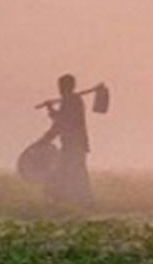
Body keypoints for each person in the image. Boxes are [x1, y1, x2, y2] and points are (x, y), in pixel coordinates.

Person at [39, 73, 95, 207]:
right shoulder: (71, 101)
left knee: (70, 172)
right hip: (72, 144)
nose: (60, 89)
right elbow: (60, 122)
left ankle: (79, 201)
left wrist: (50, 110)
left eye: (62, 86)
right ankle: (73, 200)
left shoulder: (72, 101)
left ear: (68, 86)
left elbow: (63, 122)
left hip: (74, 144)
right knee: (69, 172)